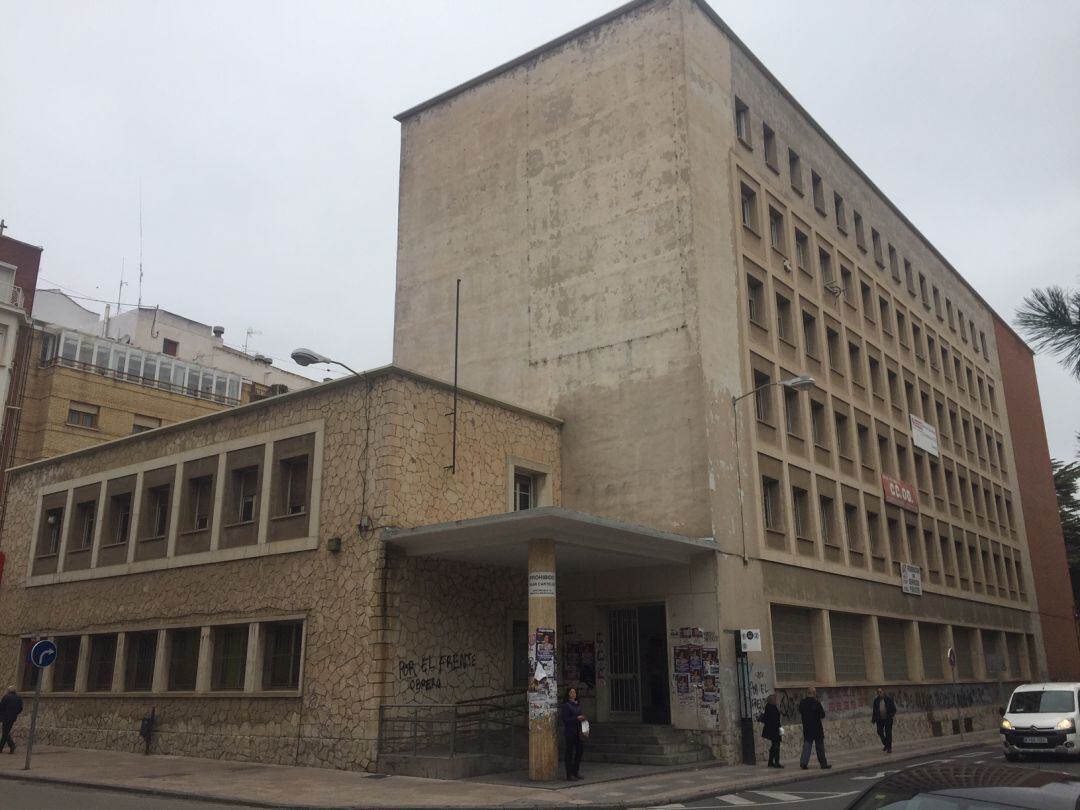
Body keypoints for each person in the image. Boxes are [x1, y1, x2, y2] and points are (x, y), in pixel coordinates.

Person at [798, 686, 831, 770]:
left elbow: (800, 711)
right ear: (814, 693)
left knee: (807, 746)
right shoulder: (816, 703)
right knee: (819, 747)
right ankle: (823, 764)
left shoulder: (802, 703)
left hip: (807, 727)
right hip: (817, 727)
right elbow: (822, 715)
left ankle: (803, 763)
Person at [562, 687, 586, 780]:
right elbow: (565, 719)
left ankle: (575, 771)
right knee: (569, 752)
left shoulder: (577, 705)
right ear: (568, 694)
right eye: (571, 692)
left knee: (579, 751)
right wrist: (576, 718)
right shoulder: (567, 705)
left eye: (574, 692)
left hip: (578, 732)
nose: (573, 694)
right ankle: (569, 774)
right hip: (570, 732)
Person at [758, 693, 783, 768]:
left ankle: (770, 761)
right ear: (772, 700)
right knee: (776, 746)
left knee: (774, 746)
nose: (777, 701)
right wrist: (781, 730)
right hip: (775, 730)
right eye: (775, 699)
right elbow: (776, 721)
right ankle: (776, 762)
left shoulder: (768, 707)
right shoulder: (773, 708)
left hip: (771, 730)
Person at [872, 687, 897, 753]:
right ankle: (886, 744)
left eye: (880, 692)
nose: (879, 693)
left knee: (888, 733)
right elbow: (874, 711)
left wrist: (890, 716)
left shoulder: (889, 699)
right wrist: (873, 719)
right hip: (879, 719)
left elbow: (894, 710)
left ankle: (889, 748)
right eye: (878, 692)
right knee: (879, 731)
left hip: (887, 719)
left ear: (883, 692)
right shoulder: (876, 700)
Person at [0, 686, 23, 754]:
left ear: (8, 691)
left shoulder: (6, 697)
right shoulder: (19, 698)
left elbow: (1, 707)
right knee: (5, 732)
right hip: (13, 718)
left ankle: (11, 745)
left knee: (5, 732)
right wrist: (15, 713)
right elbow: (20, 709)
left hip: (5, 717)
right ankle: (1, 748)